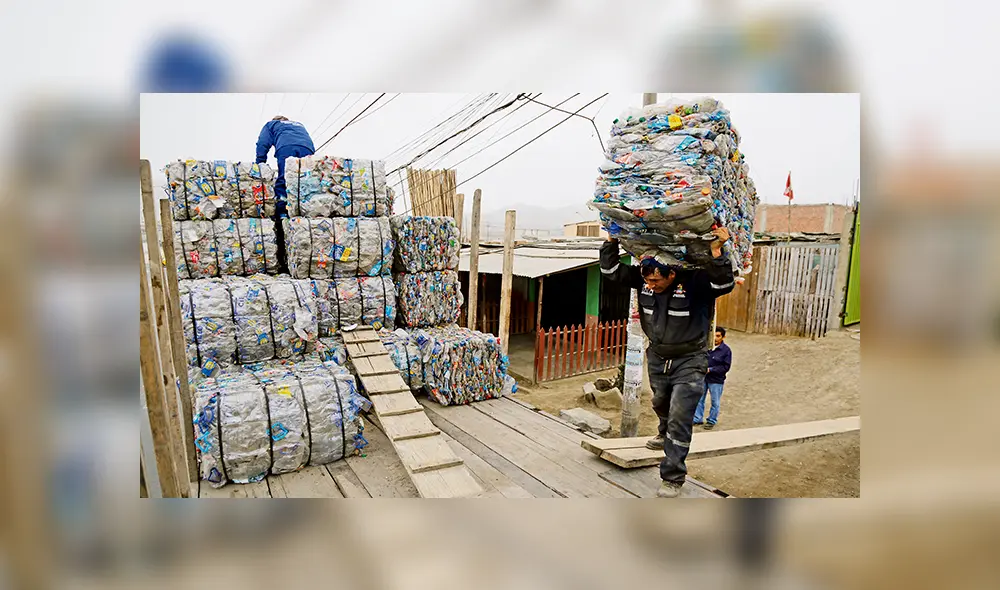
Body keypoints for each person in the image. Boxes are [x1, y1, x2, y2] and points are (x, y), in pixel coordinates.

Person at [600, 228, 735, 498]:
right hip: (658, 356)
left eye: (656, 281)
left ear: (672, 273)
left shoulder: (695, 283)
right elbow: (610, 270)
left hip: (691, 358)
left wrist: (717, 252)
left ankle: (673, 476)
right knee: (660, 402)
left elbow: (724, 285)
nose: (651, 285)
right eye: (647, 280)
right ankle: (663, 432)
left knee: (680, 415)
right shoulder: (642, 282)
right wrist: (611, 241)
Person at [255, 115, 315, 271]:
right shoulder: (299, 123)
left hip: (287, 148)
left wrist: (259, 165)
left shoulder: (272, 124)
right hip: (308, 149)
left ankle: (283, 214)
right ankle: (307, 207)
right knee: (303, 182)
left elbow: (262, 142)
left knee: (284, 180)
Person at [694, 327, 732, 430]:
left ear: (723, 337)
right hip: (704, 378)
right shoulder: (707, 347)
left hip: (716, 380)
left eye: (718, 336)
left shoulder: (726, 351)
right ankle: (697, 418)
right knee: (699, 399)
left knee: (715, 401)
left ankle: (711, 420)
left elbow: (726, 367)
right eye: (714, 335)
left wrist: (711, 370)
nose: (715, 338)